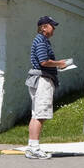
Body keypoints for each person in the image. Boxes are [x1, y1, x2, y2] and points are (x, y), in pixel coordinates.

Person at [26, 16, 67, 159]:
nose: (54, 28)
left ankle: (31, 147)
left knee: (35, 114)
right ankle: (35, 148)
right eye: (51, 26)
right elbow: (44, 61)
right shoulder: (41, 41)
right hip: (42, 80)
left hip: (37, 79)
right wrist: (60, 63)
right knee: (41, 115)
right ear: (44, 27)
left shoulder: (41, 40)